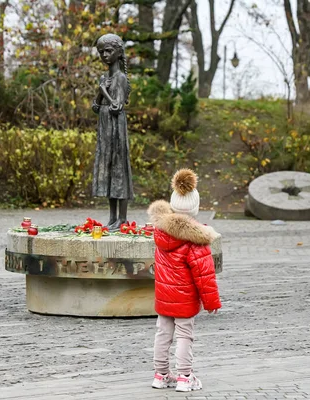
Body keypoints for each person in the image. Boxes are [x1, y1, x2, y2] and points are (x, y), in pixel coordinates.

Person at [146, 168, 222, 392]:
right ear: (195, 209)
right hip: (185, 296)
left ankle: (160, 375)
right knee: (185, 335)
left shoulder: (161, 233)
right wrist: (211, 302)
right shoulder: (195, 239)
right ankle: (185, 377)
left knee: (163, 332)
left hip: (163, 294)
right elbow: (204, 274)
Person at [91, 33, 134, 231]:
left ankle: (122, 219)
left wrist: (103, 91)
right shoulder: (104, 78)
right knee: (109, 172)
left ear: (118, 52)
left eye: (109, 51)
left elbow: (117, 106)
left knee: (119, 171)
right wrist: (100, 92)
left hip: (117, 130)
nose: (105, 55)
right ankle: (112, 218)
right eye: (101, 52)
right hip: (106, 131)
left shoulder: (121, 78)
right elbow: (96, 106)